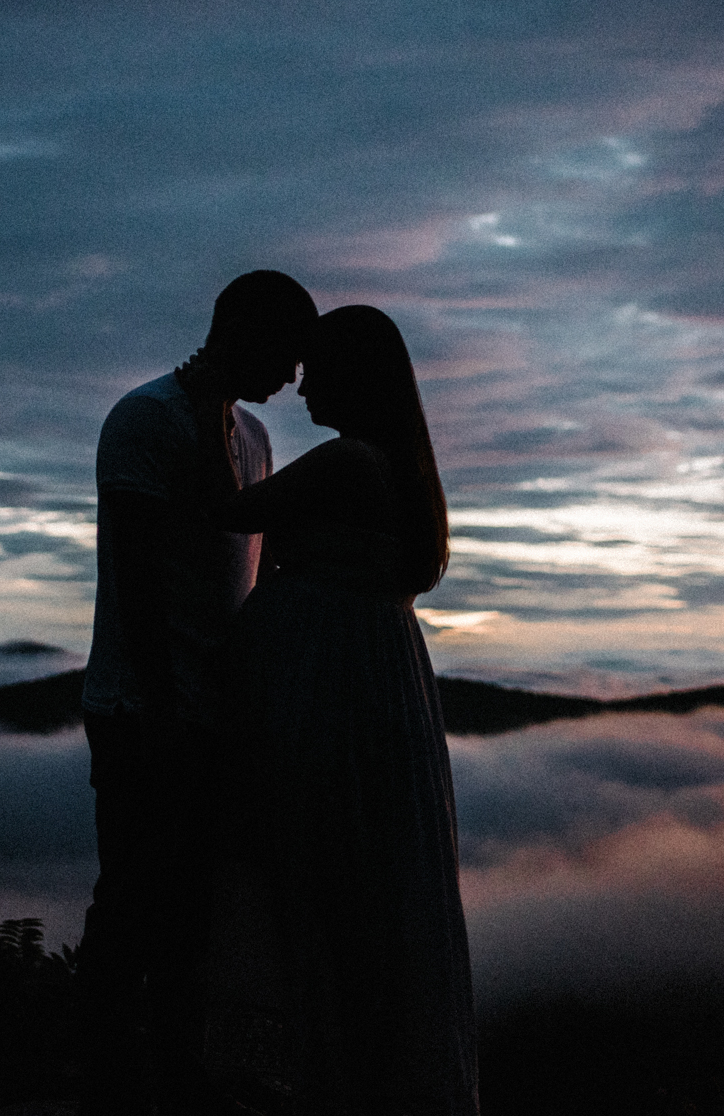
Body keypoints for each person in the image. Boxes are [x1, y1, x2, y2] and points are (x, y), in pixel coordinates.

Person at [204, 305, 480, 1116]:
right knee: (369, 884)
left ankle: (326, 1073)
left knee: (320, 874)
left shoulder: (348, 463)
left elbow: (223, 510)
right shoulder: (392, 468)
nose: (300, 385)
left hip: (327, 686)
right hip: (372, 681)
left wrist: (209, 403)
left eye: (315, 367)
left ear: (351, 378)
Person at [77, 270, 321, 1116]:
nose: (294, 377)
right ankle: (104, 1086)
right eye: (286, 354)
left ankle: (176, 1080)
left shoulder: (251, 436)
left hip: (214, 717)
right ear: (242, 334)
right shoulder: (145, 419)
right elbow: (139, 584)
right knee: (132, 906)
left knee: (194, 918)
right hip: (141, 711)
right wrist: (163, 715)